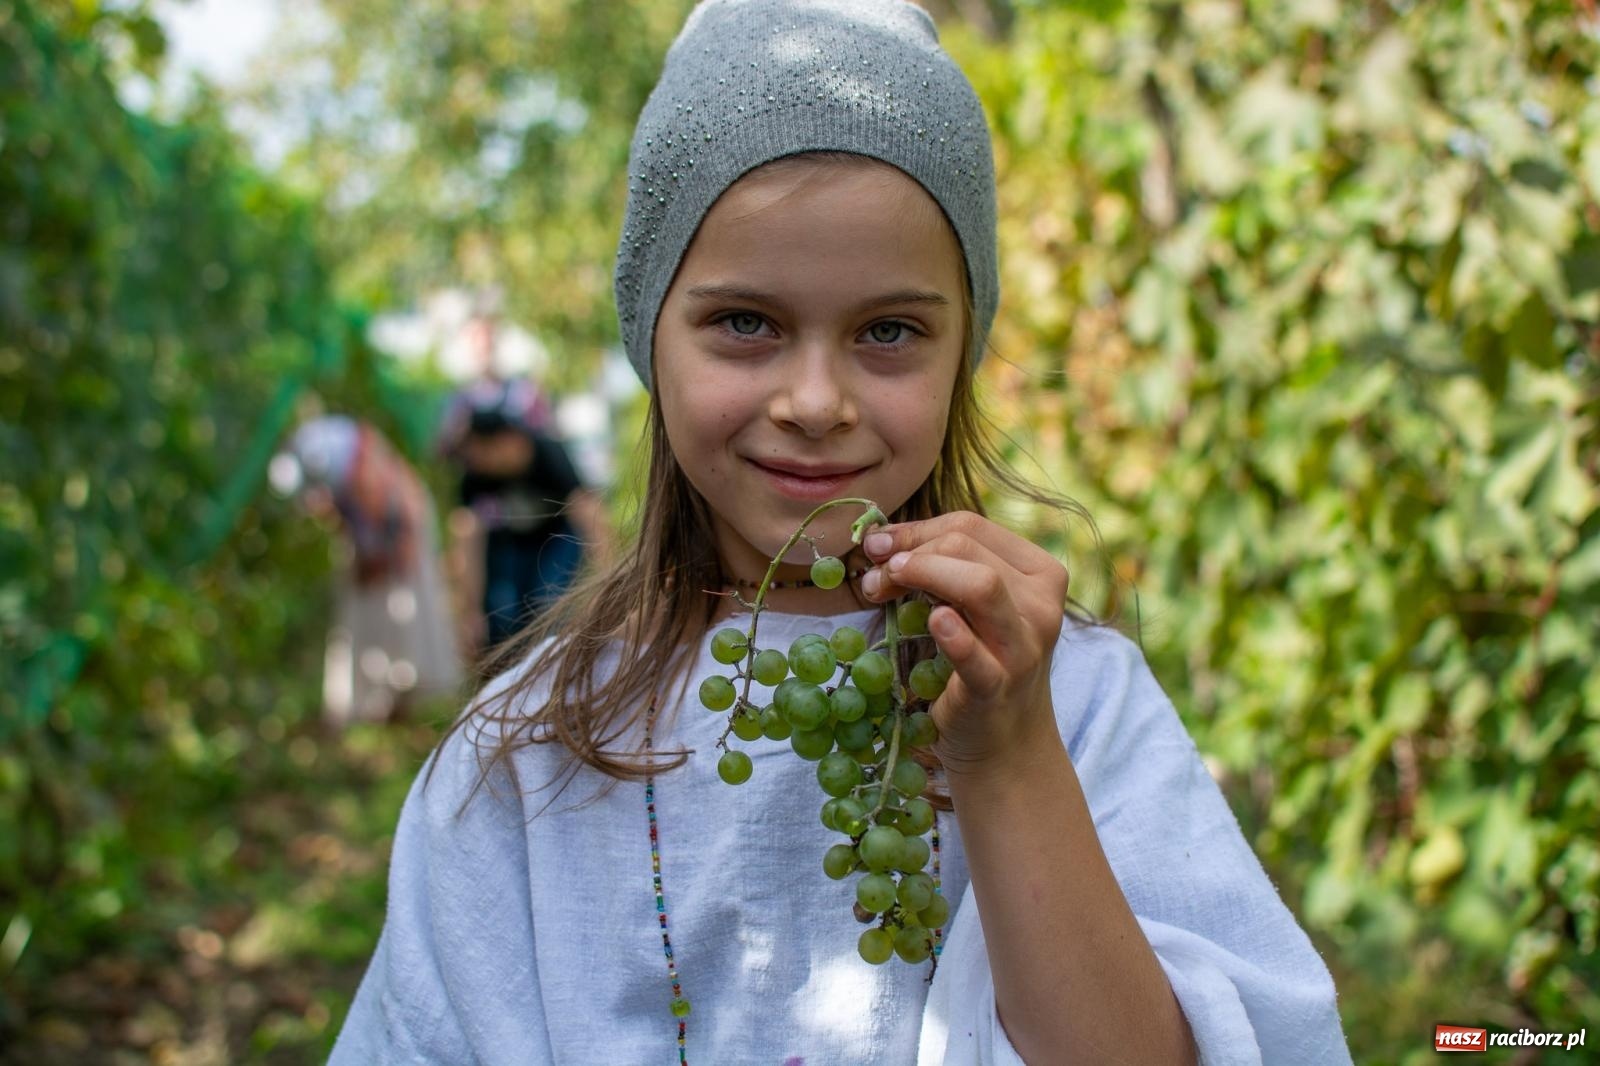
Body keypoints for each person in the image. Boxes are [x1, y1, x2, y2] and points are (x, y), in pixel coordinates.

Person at [332, 2, 1353, 1063]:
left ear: (962, 349)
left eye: (888, 331)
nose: (815, 399)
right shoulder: (523, 753)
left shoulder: (1074, 701)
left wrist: (1006, 757)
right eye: (745, 323)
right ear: (649, 332)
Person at [437, 319, 613, 651]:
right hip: (509, 539)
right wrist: (468, 610)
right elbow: (466, 536)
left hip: (556, 536)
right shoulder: (475, 471)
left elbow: (588, 512)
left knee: (551, 607)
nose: (477, 462)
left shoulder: (547, 452)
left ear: (508, 440)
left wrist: (611, 584)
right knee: (503, 614)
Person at [287, 415, 462, 727]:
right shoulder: (324, 469)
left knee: (409, 607)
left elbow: (392, 509)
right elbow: (345, 520)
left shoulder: (357, 468)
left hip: (400, 536)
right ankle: (373, 700)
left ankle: (410, 693)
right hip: (379, 541)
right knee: (365, 610)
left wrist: (390, 552)